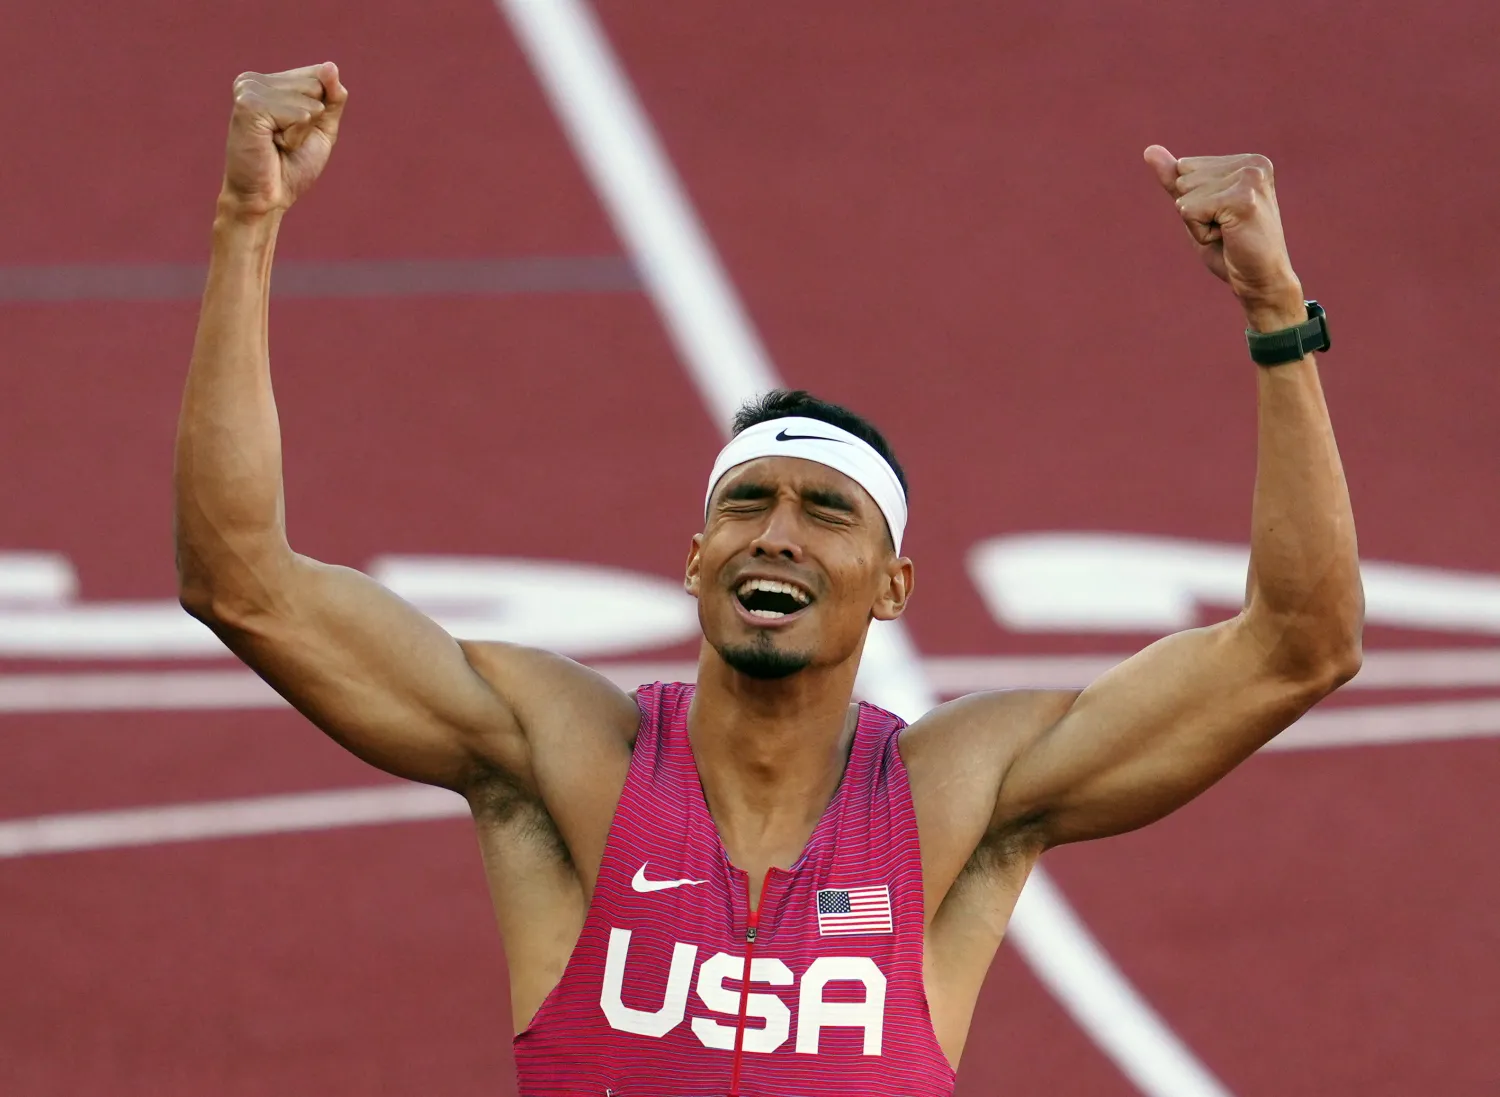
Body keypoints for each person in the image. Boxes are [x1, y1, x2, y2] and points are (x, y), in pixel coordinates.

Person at [175, 63, 1363, 1096]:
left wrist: (1273, 314)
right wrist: (247, 222)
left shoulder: (959, 800)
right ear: (695, 559)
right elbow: (243, 582)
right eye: (745, 502)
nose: (777, 532)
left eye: (826, 511)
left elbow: (1299, 644)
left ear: (892, 584)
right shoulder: (565, 758)